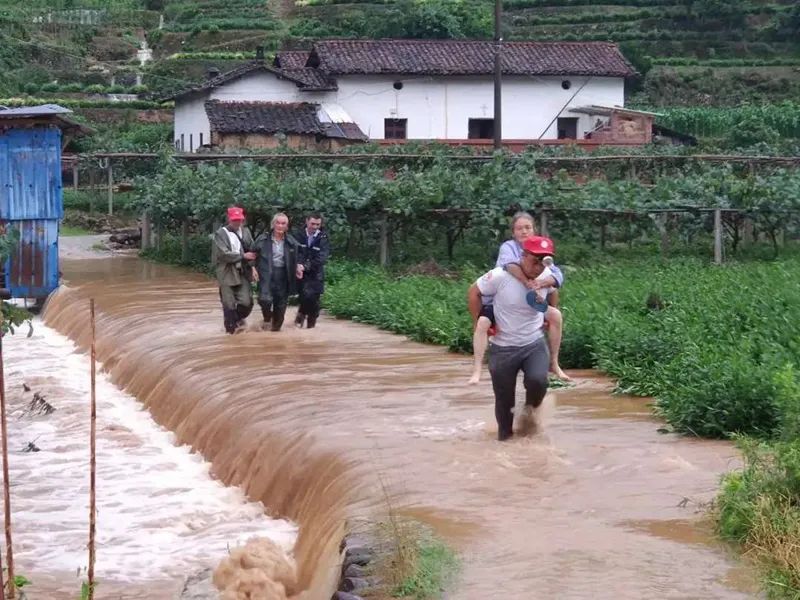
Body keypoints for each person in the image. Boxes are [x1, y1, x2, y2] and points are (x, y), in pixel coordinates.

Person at [467, 236, 558, 441]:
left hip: (533, 343)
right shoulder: (500, 276)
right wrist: (478, 322)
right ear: (523, 256)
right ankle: (505, 444)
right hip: (502, 347)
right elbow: (474, 292)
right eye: (535, 260)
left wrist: (549, 315)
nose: (538, 267)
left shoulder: (547, 275)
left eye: (543, 261)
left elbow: (553, 291)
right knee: (504, 402)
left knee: (538, 381)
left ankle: (529, 414)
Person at [468, 211, 570, 384]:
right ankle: (477, 369)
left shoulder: (543, 250)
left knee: (556, 316)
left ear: (534, 230)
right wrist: (528, 281)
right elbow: (510, 266)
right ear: (513, 232)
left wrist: (543, 283)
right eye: (519, 228)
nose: (524, 231)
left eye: (528, 227)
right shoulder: (509, 248)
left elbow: (557, 276)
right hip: (502, 302)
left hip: (532, 302)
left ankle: (554, 363)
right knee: (483, 323)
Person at [254, 212, 304, 332]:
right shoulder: (263, 239)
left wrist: (299, 265)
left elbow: (300, 254)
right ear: (273, 224)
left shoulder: (291, 241)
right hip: (266, 273)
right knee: (264, 299)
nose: (280, 226)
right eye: (278, 223)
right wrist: (252, 268)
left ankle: (274, 334)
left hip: (284, 275)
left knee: (280, 308)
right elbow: (252, 254)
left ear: (287, 226)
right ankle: (267, 317)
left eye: (283, 223)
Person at [214, 206, 256, 334]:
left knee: (247, 303)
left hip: (243, 271)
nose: (237, 222)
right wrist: (242, 256)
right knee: (229, 304)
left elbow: (252, 250)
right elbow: (223, 254)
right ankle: (230, 331)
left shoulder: (246, 232)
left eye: (239, 220)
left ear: (243, 219)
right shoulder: (220, 234)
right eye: (234, 220)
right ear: (229, 219)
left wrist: (253, 267)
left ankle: (235, 321)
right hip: (227, 272)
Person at [293, 213, 330, 329]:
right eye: (312, 224)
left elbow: (322, 257)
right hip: (300, 273)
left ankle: (310, 329)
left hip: (316, 274)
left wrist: (305, 266)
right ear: (307, 221)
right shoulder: (298, 235)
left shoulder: (323, 237)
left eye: (317, 224)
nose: (315, 227)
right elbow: (294, 252)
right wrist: (298, 265)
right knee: (304, 296)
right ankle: (301, 315)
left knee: (314, 301)